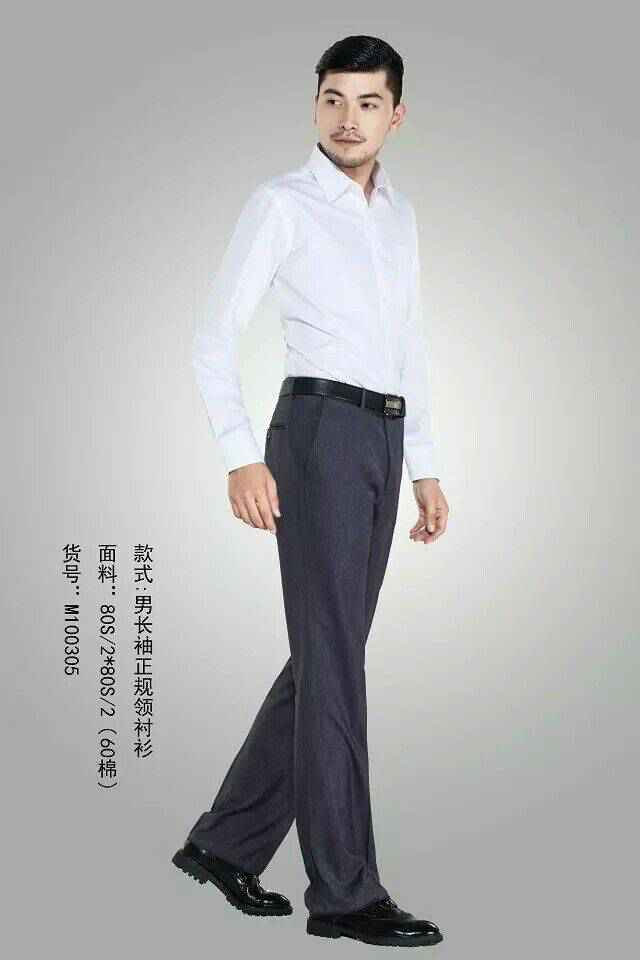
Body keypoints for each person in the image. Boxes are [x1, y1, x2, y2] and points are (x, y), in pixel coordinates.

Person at [172, 34, 449, 948]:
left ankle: (223, 844)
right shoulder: (281, 203)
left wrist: (424, 465)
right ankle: (344, 893)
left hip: (383, 434)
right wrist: (239, 455)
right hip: (318, 433)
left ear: (396, 115)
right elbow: (214, 336)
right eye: (333, 99)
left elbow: (408, 345)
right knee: (335, 662)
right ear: (315, 105)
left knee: (327, 655)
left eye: (368, 103)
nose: (347, 118)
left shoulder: (400, 216)